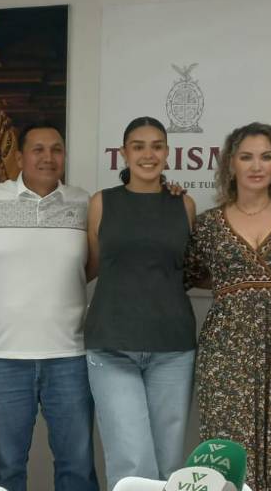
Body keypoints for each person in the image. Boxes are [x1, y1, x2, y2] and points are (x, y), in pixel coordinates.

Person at [0, 123, 99, 491]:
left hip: (69, 356)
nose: (48, 157)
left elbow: (91, 265)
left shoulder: (83, 203)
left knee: (77, 468)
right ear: (19, 156)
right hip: (2, 358)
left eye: (56, 149)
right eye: (38, 149)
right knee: (7, 468)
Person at [185, 122, 271, 490]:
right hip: (226, 356)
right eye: (246, 157)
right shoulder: (207, 225)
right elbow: (187, 275)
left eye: (265, 157)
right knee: (229, 453)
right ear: (230, 164)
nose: (257, 166)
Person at [85, 117, 196, 490]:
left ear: (167, 153)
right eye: (138, 146)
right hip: (112, 345)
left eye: (156, 146)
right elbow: (94, 265)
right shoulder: (102, 202)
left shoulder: (184, 204)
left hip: (172, 348)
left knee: (169, 466)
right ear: (123, 153)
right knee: (133, 464)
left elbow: (187, 268)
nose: (148, 154)